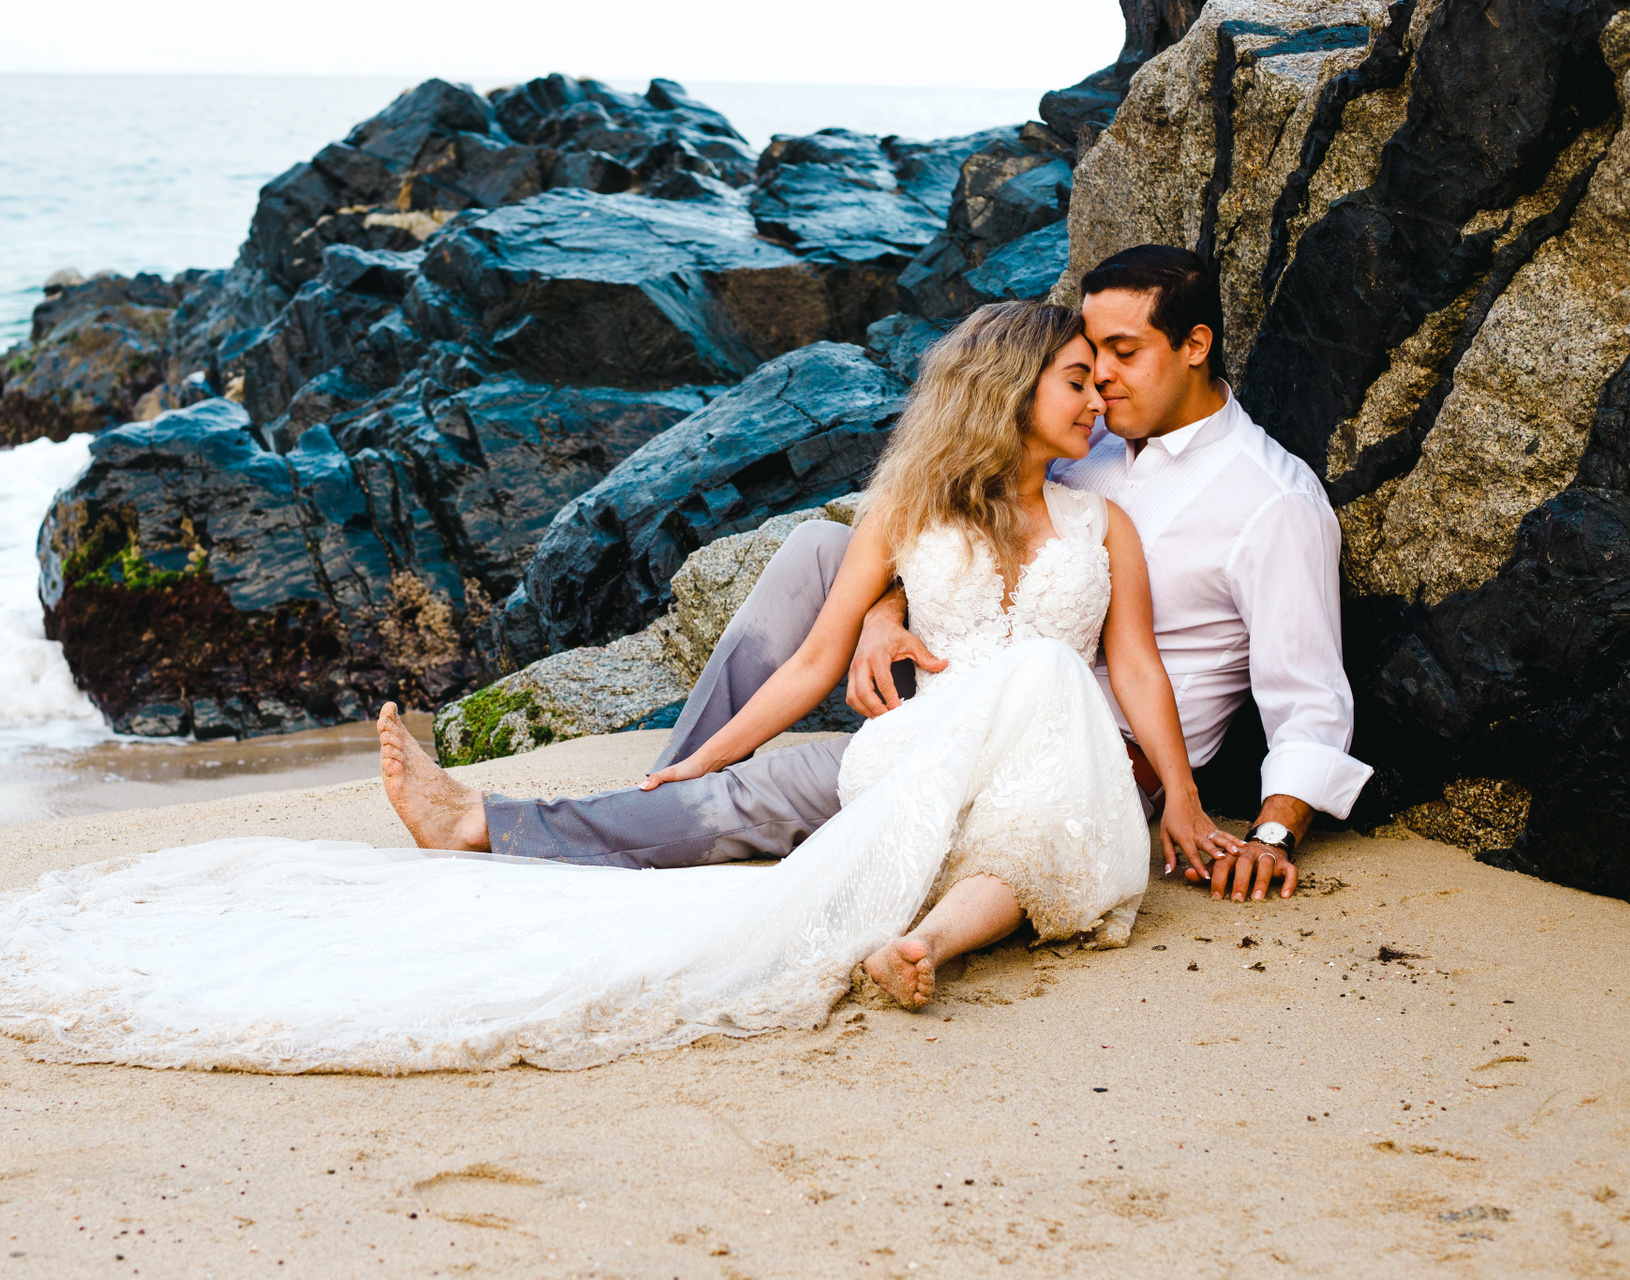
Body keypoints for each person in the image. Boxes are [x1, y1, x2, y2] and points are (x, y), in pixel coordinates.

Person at [0, 301, 1206, 1072]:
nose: (1096, 400)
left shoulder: (1106, 527)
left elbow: (1134, 665)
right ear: (1005, 391)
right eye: (1075, 381)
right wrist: (705, 750)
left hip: (1042, 763)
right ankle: (486, 822)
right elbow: (816, 660)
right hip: (915, 753)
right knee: (736, 799)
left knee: (1027, 755)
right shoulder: (911, 512)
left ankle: (925, 941)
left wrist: (1189, 802)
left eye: (1100, 382)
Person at [380, 244, 1373, 905]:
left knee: (786, 782)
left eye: (1121, 354)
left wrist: (1271, 833)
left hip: (1096, 749)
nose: (1101, 379)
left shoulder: (1270, 502)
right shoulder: (1093, 438)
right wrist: (881, 612)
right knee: (818, 552)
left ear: (1195, 346)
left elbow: (1307, 704)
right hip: (966, 693)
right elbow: (975, 532)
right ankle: (676, 773)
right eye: (1087, 362)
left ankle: (556, 819)